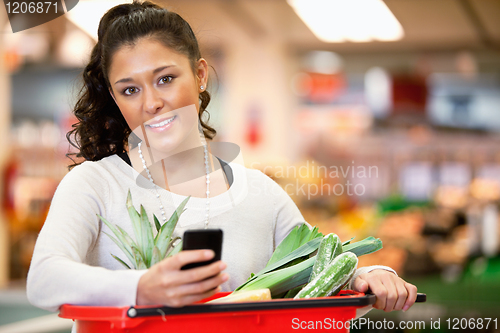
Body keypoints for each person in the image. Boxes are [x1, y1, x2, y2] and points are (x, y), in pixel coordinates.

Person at [27, 0, 417, 318]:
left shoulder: (262, 195)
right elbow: (43, 279)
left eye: (165, 78)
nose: (152, 103)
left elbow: (318, 270)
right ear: (115, 98)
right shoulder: (95, 185)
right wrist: (141, 288)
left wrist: (369, 273)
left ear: (199, 75)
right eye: (129, 89)